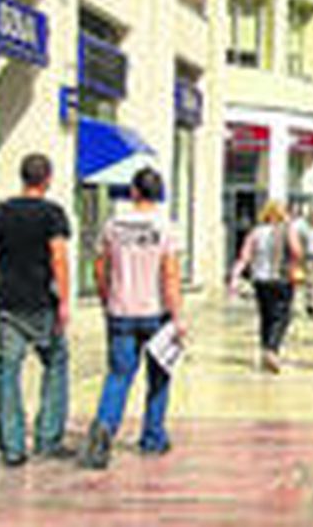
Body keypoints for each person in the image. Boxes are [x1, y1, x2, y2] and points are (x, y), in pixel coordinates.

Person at [79, 168, 184, 469]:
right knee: (159, 376)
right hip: (156, 313)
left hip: (120, 311)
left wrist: (105, 299)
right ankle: (153, 436)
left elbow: (100, 267)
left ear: (134, 192)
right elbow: (170, 274)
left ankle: (104, 428)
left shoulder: (113, 225)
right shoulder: (166, 227)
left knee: (119, 375)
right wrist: (178, 317)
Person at [0, 153, 74, 466]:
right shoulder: (53, 214)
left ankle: (12, 446)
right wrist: (63, 300)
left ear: (23, 177)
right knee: (56, 364)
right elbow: (58, 258)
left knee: (8, 371)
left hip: (8, 303)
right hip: (42, 302)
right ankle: (48, 437)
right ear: (47, 178)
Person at [227, 201, 302, 373]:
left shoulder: (256, 232)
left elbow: (244, 256)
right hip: (281, 277)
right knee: (282, 316)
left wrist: (235, 277)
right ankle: (272, 349)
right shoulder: (286, 229)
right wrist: (295, 263)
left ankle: (265, 350)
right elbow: (297, 251)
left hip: (260, 279)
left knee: (266, 315)